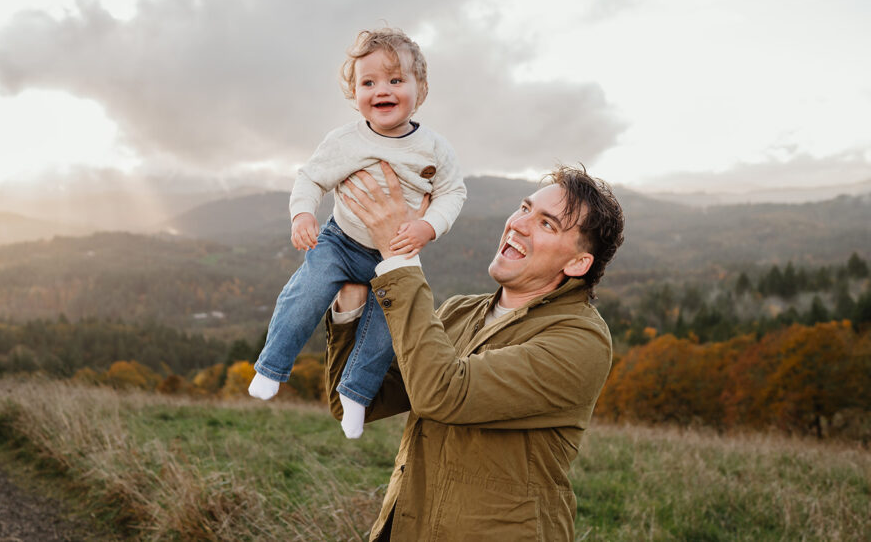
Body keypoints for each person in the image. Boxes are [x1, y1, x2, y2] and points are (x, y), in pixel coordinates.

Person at [325, 161, 624, 541]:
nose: (518, 223)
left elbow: (444, 394)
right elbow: (354, 401)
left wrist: (397, 260)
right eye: (525, 208)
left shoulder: (580, 341)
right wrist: (351, 294)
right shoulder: (458, 312)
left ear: (579, 263)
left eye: (547, 224)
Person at [249, 28, 466, 439]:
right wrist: (302, 216)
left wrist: (428, 226)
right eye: (369, 82)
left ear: (420, 90)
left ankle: (355, 395)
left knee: (386, 331)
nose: (382, 90)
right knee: (307, 291)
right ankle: (272, 366)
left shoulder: (434, 149)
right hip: (340, 242)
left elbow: (453, 191)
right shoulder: (345, 141)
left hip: (395, 254)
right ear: (354, 92)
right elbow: (311, 179)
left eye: (395, 80)